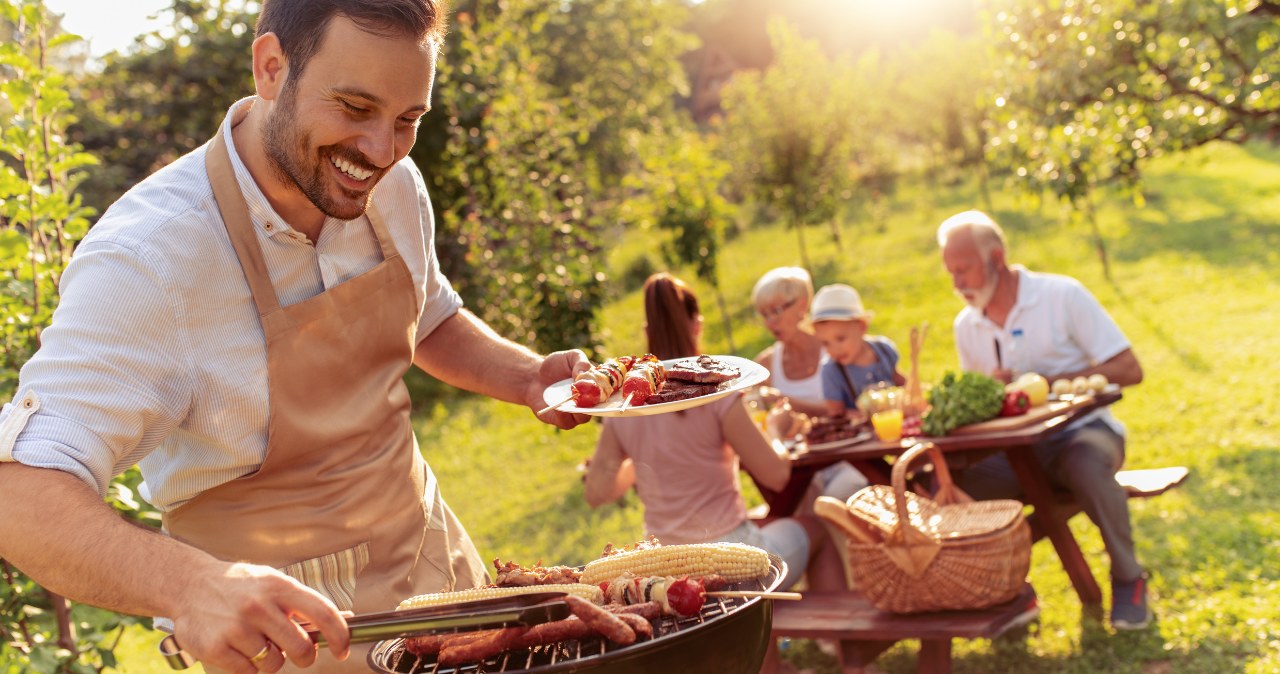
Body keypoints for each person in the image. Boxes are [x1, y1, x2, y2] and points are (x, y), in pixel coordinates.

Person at [0, 2, 591, 672]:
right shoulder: (149, 260)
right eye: (355, 108)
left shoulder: (390, 186)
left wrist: (526, 376)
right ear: (271, 67)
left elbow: (431, 317)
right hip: (292, 642)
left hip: (443, 583)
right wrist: (190, 586)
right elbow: (19, 492)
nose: (381, 151)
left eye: (408, 120)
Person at [936, 209, 1151, 630]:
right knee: (951, 489)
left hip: (1084, 434)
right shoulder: (967, 325)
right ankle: (1011, 593)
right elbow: (983, 409)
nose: (956, 283)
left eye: (963, 270)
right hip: (1016, 453)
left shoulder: (1062, 295)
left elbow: (1129, 369)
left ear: (996, 258)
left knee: (1084, 465)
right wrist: (992, 394)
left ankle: (1129, 579)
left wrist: (1047, 382)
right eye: (950, 273)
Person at [810, 284, 907, 418]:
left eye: (841, 339)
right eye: (826, 343)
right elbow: (836, 413)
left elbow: (900, 382)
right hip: (863, 434)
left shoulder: (883, 349)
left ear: (862, 327)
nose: (834, 349)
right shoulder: (831, 370)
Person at [751, 267, 830, 419]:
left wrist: (782, 399)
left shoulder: (833, 349)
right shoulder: (765, 366)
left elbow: (845, 408)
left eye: (776, 311)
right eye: (764, 314)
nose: (770, 322)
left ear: (802, 305)